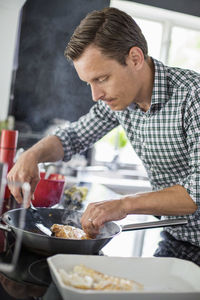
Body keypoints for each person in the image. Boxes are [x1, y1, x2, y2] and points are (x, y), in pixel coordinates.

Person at [8, 7, 200, 265]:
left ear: (134, 58)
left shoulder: (192, 97)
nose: (95, 95)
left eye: (102, 78)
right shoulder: (121, 101)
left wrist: (123, 204)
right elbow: (73, 137)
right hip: (174, 237)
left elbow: (196, 192)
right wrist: (32, 155)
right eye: (89, 83)